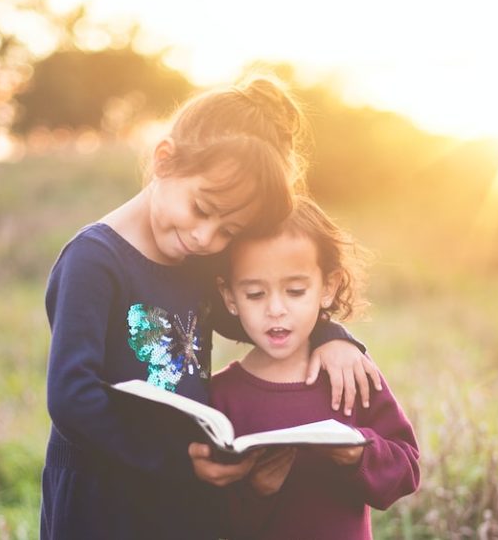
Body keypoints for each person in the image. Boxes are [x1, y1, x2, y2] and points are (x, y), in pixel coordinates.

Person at [39, 76, 382, 540]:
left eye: (228, 231)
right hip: (104, 495)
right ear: (164, 160)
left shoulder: (195, 261)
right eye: (202, 208)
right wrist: (178, 462)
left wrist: (332, 337)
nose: (206, 238)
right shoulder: (94, 261)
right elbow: (71, 397)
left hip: (182, 491)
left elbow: (259, 318)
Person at [212, 195, 420, 540]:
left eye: (295, 291)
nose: (275, 309)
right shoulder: (222, 396)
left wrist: (359, 453)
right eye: (254, 294)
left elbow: (407, 470)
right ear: (230, 296)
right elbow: (213, 518)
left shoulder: (350, 373)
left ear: (328, 287)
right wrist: (257, 491)